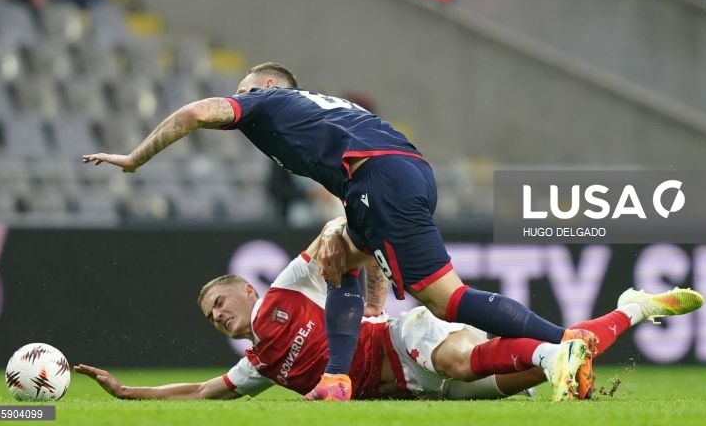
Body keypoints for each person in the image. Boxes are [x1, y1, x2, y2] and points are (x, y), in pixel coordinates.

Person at [82, 62, 599, 401]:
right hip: (396, 173)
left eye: (241, 92)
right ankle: (339, 373)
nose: (236, 104)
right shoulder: (319, 107)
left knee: (448, 300)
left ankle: (568, 344)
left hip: (379, 177)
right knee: (338, 249)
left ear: (265, 87)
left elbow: (196, 113)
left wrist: (134, 158)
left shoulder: (265, 103)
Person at [74, 219, 705, 402]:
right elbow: (205, 392)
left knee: (464, 359)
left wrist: (333, 226)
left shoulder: (291, 287)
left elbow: (347, 231)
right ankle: (635, 308)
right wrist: (128, 393)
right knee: (546, 369)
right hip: (415, 393)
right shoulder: (260, 365)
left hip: (404, 339)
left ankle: (550, 350)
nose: (214, 314)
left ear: (245, 290)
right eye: (206, 314)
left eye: (217, 300)